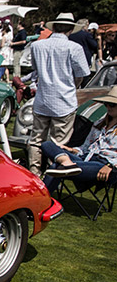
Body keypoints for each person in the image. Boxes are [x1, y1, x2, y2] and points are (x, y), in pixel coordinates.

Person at [27, 13, 91, 176]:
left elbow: (36, 69)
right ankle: (51, 173)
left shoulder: (37, 46)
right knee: (58, 142)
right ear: (70, 29)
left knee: (36, 139)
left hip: (43, 99)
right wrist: (73, 87)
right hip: (64, 100)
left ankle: (34, 172)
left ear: (53, 27)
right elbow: (81, 74)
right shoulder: (74, 48)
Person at [41, 86, 117, 192]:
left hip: (102, 164)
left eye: (112, 104)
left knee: (56, 166)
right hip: (85, 159)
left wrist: (111, 166)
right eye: (106, 104)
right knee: (47, 144)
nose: (108, 107)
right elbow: (85, 147)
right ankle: (66, 162)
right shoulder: (99, 124)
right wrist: (72, 150)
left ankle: (41, 199)